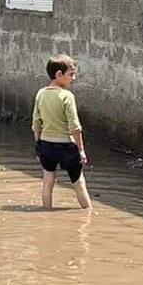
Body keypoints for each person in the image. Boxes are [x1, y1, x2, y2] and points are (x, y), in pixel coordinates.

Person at [32, 54, 92, 210]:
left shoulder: (40, 94)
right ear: (59, 74)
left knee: (48, 180)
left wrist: (38, 144)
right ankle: (88, 214)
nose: (74, 78)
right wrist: (81, 150)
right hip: (66, 146)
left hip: (46, 145)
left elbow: (36, 123)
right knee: (78, 182)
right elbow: (75, 127)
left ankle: (46, 212)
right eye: (71, 74)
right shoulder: (67, 96)